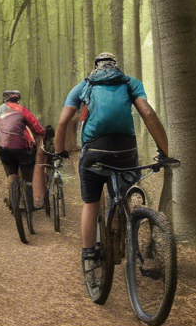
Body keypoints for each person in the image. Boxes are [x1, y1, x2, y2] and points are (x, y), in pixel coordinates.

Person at [53, 53, 170, 266]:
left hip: (94, 151)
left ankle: (89, 255)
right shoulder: (130, 83)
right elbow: (148, 113)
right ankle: (130, 220)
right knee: (125, 192)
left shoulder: (83, 86)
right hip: (126, 150)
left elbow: (62, 123)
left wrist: (60, 151)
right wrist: (165, 151)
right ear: (116, 66)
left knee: (91, 204)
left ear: (95, 67)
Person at [0, 90, 46, 210]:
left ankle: (12, 199)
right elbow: (36, 126)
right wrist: (42, 133)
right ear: (18, 99)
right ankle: (30, 204)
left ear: (4, 99)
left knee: (11, 174)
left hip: (5, 149)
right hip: (22, 148)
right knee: (27, 175)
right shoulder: (22, 110)